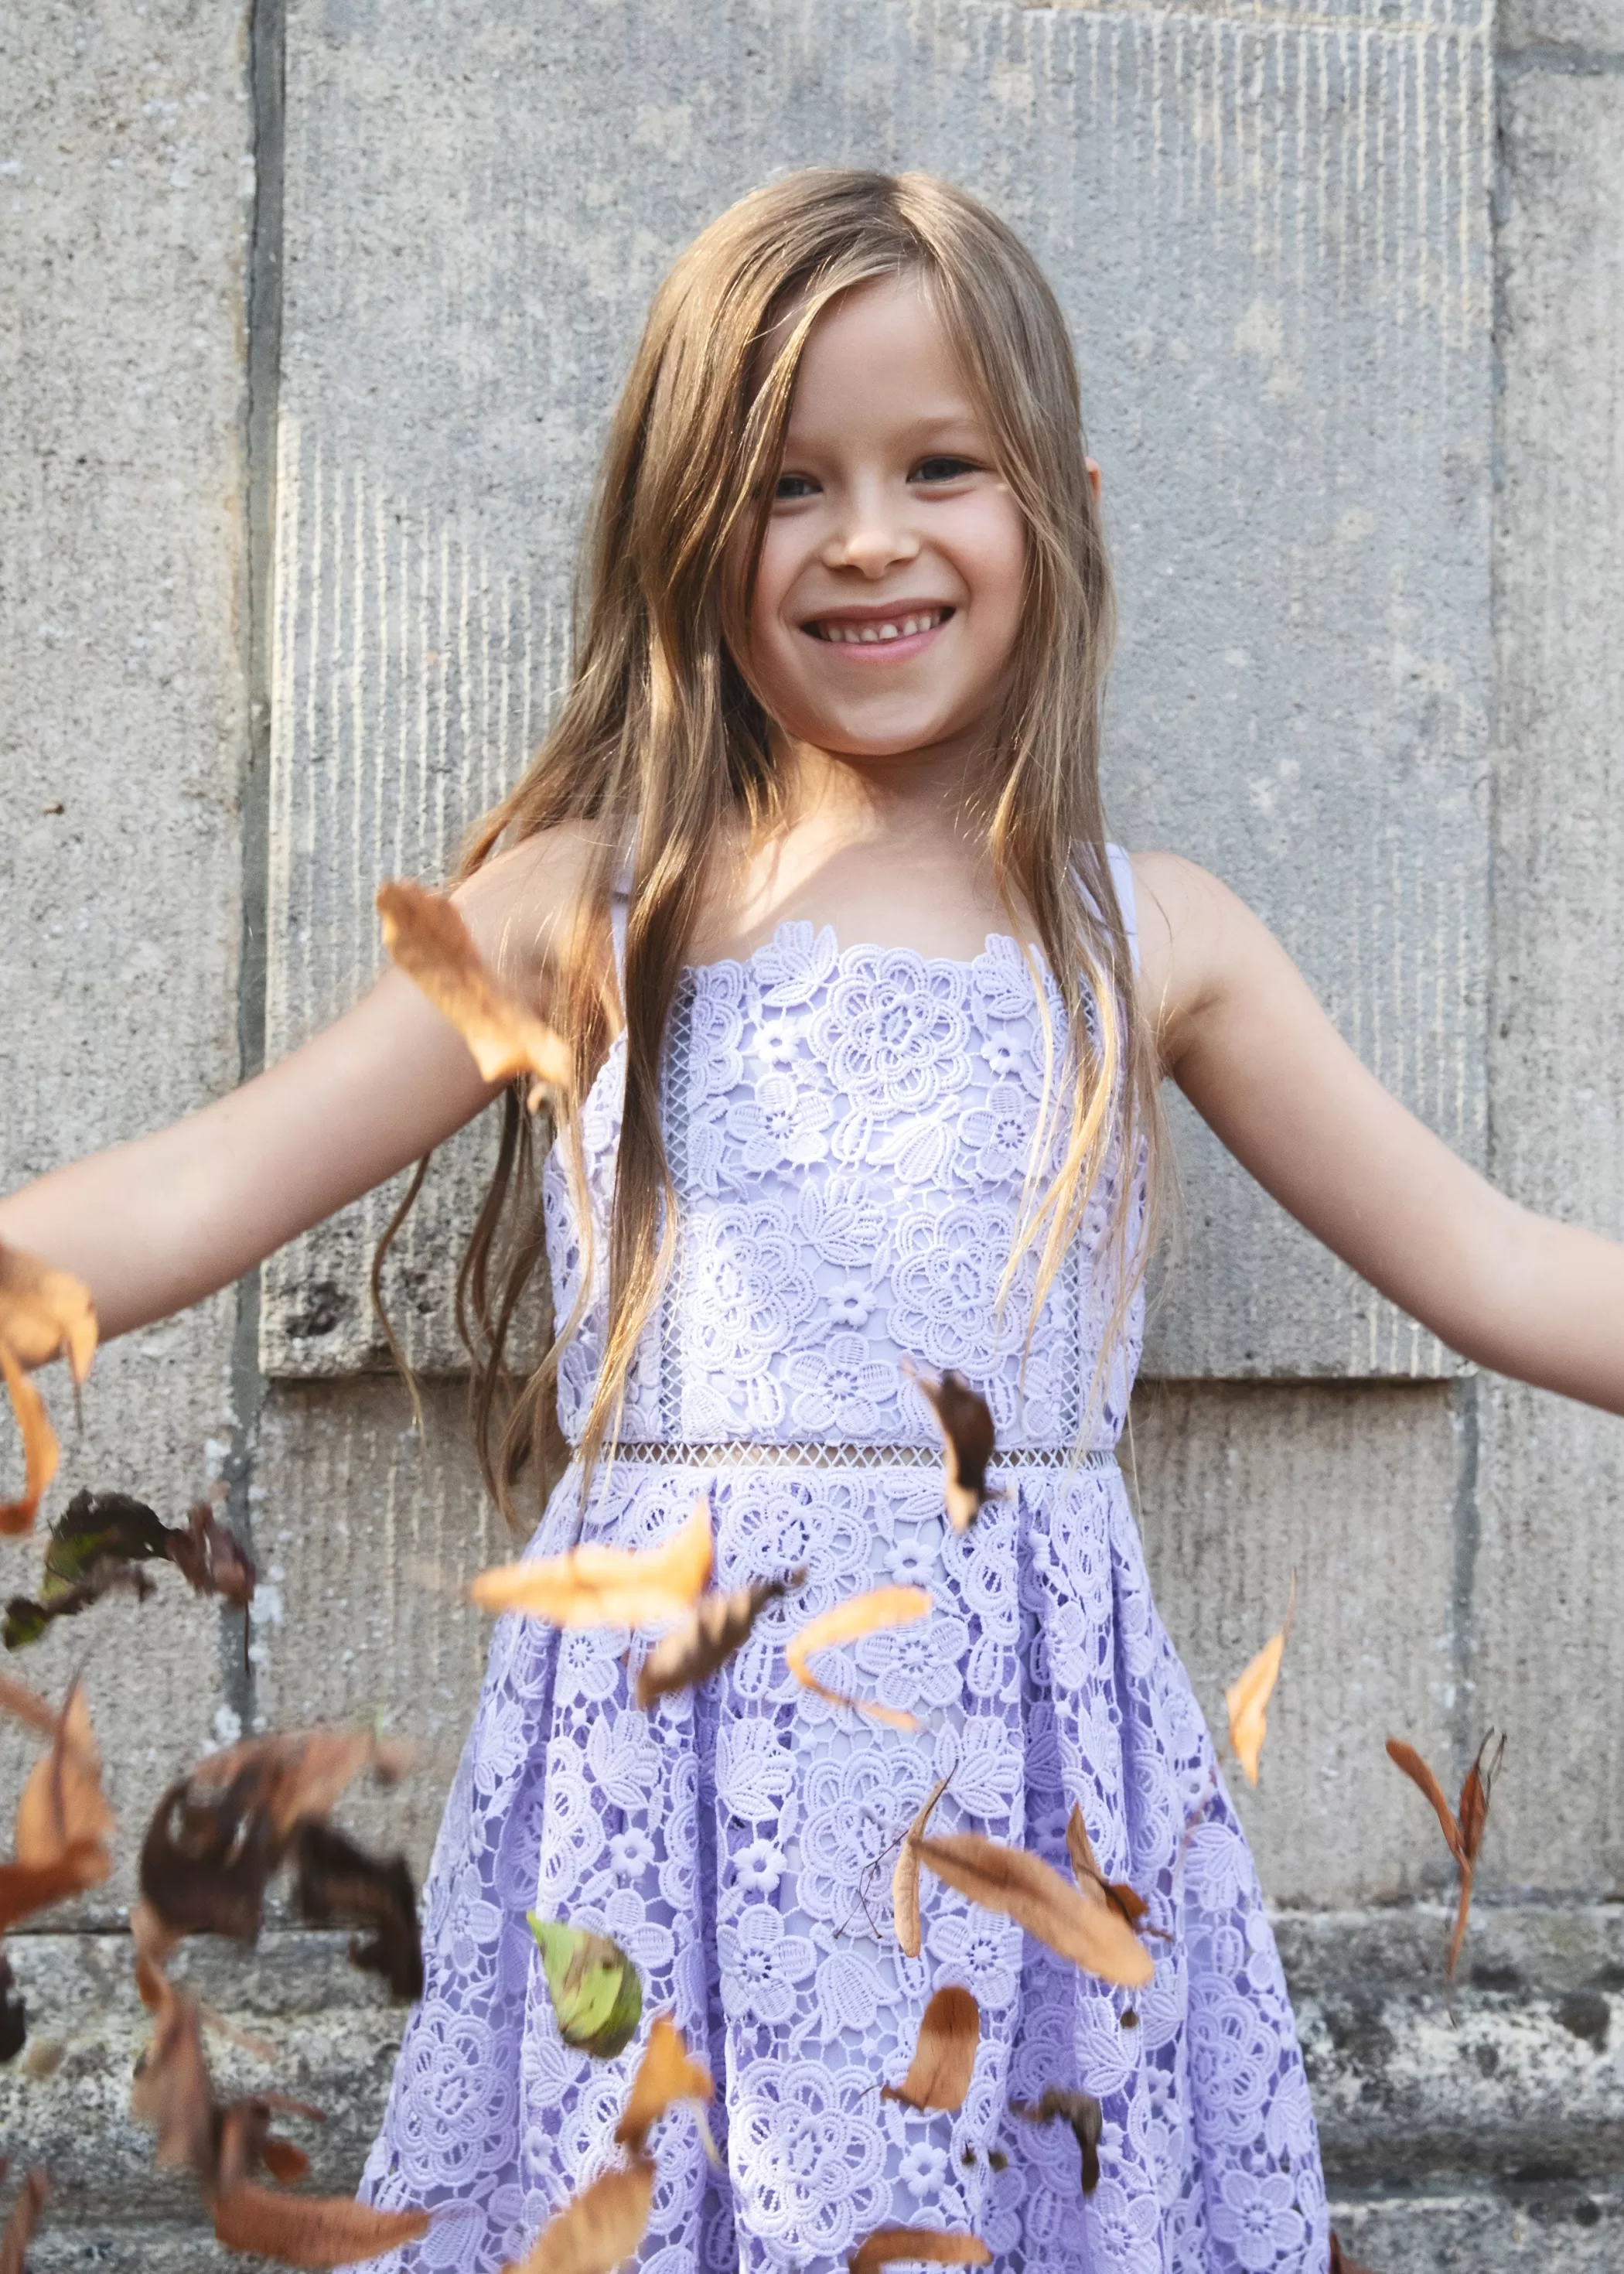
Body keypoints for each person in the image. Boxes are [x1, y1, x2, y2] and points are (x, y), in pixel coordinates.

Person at [3, 169, 1622, 2274]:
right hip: (666, 1786)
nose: (868, 535)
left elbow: (1490, 1262)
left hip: (1016, 1806)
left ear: (1057, 500)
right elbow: (195, 1188)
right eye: (788, 484)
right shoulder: (586, 914)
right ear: (691, 525)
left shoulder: (1158, 947)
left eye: (937, 466)